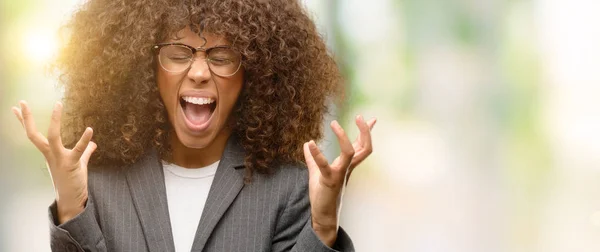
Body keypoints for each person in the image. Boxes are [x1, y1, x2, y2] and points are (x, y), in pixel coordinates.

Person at [12, 0, 376, 251]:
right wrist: (72, 208)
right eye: (178, 53)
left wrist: (325, 224)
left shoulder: (289, 189)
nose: (200, 72)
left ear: (255, 72)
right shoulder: (99, 183)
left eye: (222, 56)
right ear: (146, 68)